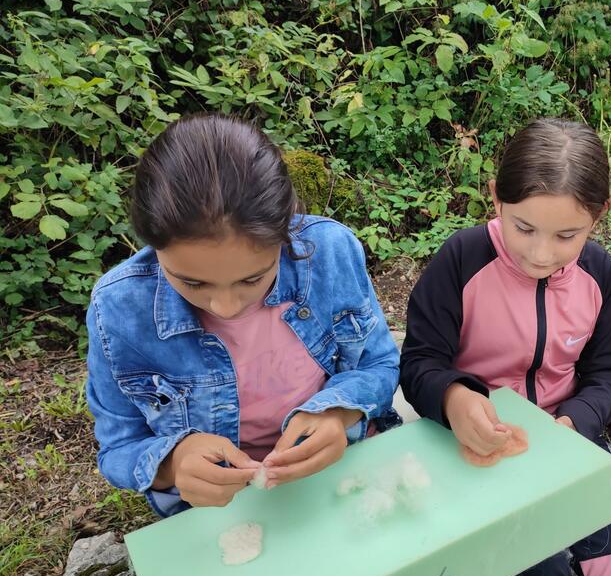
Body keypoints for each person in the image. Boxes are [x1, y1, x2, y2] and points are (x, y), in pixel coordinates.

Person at [399, 118, 611, 576]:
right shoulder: (463, 259)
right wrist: (454, 398)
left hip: (571, 447)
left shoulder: (598, 273)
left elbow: (610, 371)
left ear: (600, 216)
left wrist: (578, 421)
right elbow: (419, 362)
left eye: (568, 235)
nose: (543, 253)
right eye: (524, 228)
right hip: (484, 455)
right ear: (495, 196)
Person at [86, 113, 399, 517]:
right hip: (219, 510)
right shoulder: (118, 308)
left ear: (286, 232)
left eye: (253, 278)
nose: (227, 306)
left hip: (337, 472)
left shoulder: (330, 252)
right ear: (151, 244)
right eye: (193, 283)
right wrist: (173, 462)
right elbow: (119, 446)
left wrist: (339, 413)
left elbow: (380, 362)